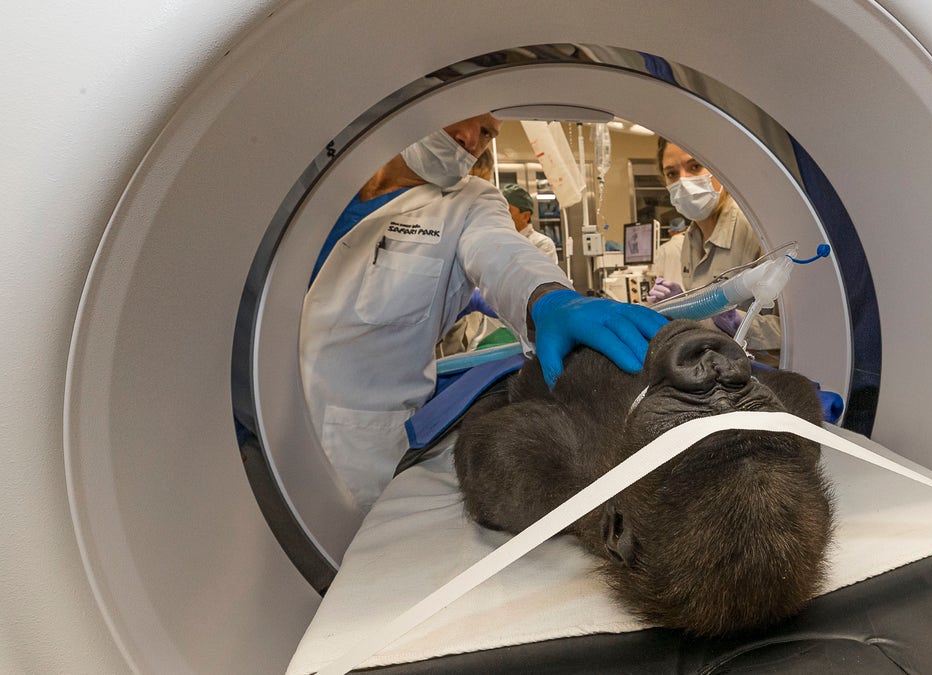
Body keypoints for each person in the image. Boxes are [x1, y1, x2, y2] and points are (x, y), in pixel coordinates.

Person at [301, 113, 667, 511]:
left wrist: (549, 298)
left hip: (356, 449)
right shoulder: (308, 180)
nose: (469, 139)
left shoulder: (471, 202)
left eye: (488, 132)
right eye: (456, 116)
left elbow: (501, 254)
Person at [647, 137, 781, 350]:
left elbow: (792, 329)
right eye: (672, 173)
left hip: (759, 369)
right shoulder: (690, 241)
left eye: (695, 166)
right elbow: (705, 321)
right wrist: (682, 308)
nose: (683, 181)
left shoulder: (756, 231)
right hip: (713, 363)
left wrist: (739, 323)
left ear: (720, 169)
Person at [501, 183, 558, 262]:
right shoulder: (500, 241)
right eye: (500, 209)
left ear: (525, 216)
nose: (502, 214)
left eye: (508, 210)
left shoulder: (542, 244)